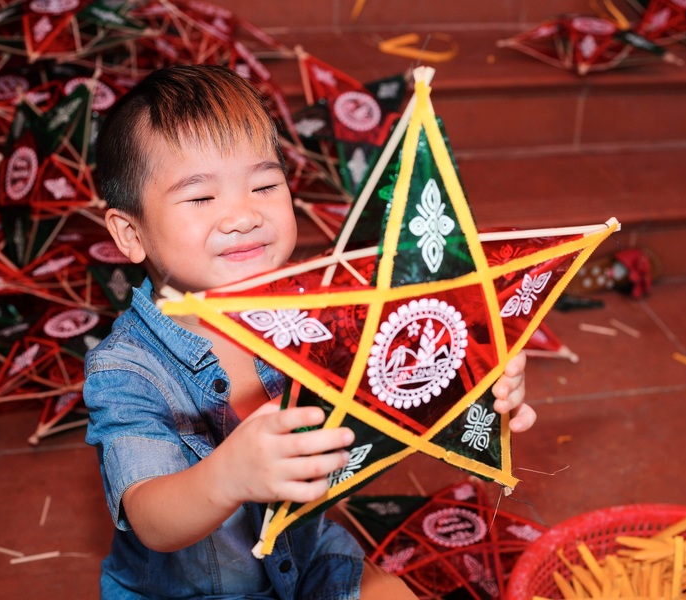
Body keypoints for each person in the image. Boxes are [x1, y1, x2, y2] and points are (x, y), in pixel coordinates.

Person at [84, 64, 536, 599]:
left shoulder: (318, 309)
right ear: (129, 233)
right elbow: (151, 520)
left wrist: (473, 381)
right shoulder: (125, 368)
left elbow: (395, 374)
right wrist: (227, 476)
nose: (243, 215)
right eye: (201, 197)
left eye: (264, 184)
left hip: (305, 560)